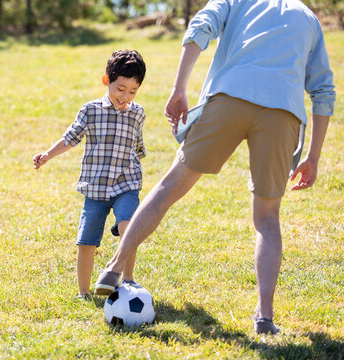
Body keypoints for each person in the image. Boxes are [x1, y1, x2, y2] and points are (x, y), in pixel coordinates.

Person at [94, 0, 335, 334]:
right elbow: (323, 90)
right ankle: (264, 318)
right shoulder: (308, 17)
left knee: (169, 187)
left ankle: (115, 267)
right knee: (267, 217)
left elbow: (199, 28)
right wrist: (313, 157)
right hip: (283, 113)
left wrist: (179, 88)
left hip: (229, 98)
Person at [33, 50, 148, 300]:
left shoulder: (138, 113)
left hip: (126, 184)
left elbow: (137, 146)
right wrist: (47, 155)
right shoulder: (90, 110)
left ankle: (127, 281)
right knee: (87, 241)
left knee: (128, 227)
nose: (125, 96)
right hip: (95, 188)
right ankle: (84, 293)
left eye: (132, 91)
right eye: (120, 89)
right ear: (107, 81)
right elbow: (69, 138)